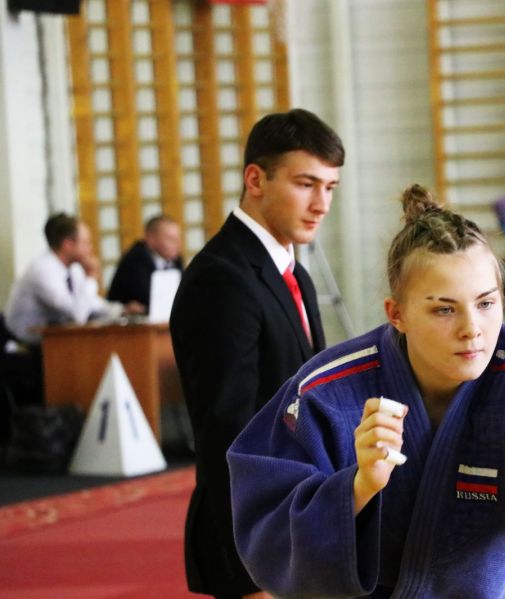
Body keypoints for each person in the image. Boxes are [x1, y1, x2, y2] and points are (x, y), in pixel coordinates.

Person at [226, 184, 505, 598]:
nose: (472, 328)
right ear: (397, 314)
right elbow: (266, 525)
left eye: (486, 303)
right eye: (444, 309)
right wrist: (359, 486)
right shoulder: (328, 389)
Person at [170, 108, 343, 599]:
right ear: (255, 179)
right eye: (307, 184)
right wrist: (254, 557)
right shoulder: (220, 278)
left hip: (298, 517)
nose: (322, 203)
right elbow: (228, 432)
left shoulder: (296, 275)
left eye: (330, 187)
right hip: (252, 534)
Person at [3, 213, 141, 406]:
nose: (91, 248)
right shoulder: (43, 271)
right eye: (86, 242)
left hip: (54, 346)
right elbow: (77, 314)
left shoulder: (72, 269)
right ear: (67, 244)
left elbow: (91, 303)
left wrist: (121, 310)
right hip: (25, 352)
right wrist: (92, 276)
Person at [107, 214, 183, 313]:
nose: (177, 244)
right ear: (151, 239)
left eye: (178, 239)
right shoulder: (136, 258)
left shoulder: (176, 260)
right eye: (170, 239)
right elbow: (149, 298)